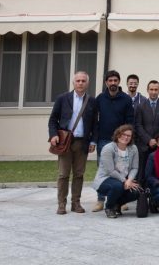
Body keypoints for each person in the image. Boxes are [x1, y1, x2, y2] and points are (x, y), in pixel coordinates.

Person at [48, 70, 97, 214]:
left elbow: (95, 123)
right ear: (73, 82)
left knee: (79, 175)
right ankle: (61, 204)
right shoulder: (63, 98)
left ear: (87, 83)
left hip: (82, 143)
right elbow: (53, 120)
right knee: (63, 174)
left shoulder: (92, 101)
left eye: (83, 81)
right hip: (65, 142)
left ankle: (76, 203)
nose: (80, 83)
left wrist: (93, 140)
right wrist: (53, 135)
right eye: (78, 80)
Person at [92, 69, 134, 212]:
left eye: (115, 80)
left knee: (122, 170)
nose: (113, 83)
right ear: (106, 82)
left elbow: (130, 121)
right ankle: (100, 200)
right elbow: (95, 121)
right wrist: (94, 140)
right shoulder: (100, 99)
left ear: (119, 82)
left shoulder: (126, 99)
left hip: (121, 141)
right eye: (110, 81)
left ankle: (119, 200)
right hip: (103, 140)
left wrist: (127, 138)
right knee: (103, 170)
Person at [92, 124, 140, 219]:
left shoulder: (133, 148)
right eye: (123, 134)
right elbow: (110, 171)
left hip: (124, 180)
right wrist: (124, 181)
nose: (126, 137)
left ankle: (117, 205)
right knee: (117, 186)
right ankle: (109, 207)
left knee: (136, 191)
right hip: (105, 179)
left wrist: (130, 180)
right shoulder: (108, 148)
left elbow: (135, 167)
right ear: (118, 135)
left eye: (128, 135)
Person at [134, 79, 159, 182]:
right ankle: (141, 195)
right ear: (147, 90)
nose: (154, 92)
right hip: (143, 145)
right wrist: (148, 140)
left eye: (156, 89)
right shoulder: (140, 106)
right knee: (142, 171)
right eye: (151, 89)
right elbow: (138, 125)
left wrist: (156, 140)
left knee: (157, 171)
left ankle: (154, 194)